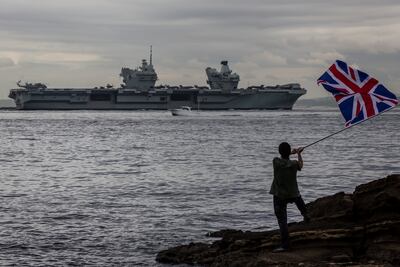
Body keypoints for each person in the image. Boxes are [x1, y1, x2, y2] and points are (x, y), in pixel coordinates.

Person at [270, 142, 310, 252]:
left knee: (282, 220)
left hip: (279, 195)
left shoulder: (276, 161)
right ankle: (305, 214)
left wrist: (291, 153)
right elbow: (301, 165)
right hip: (293, 194)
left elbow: (283, 158)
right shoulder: (294, 164)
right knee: (297, 197)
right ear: (289, 152)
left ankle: (285, 245)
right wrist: (298, 153)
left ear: (279, 152)